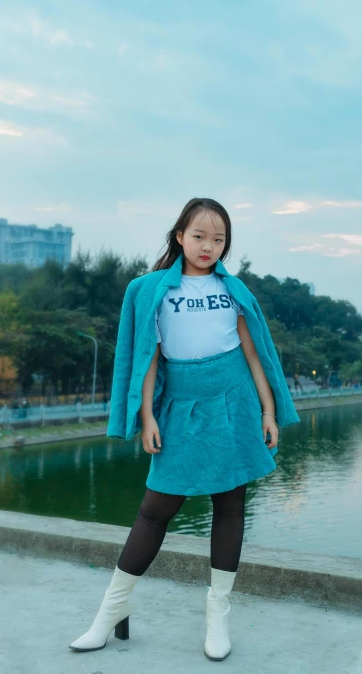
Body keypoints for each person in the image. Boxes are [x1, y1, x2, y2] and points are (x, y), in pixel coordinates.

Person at [69, 197, 301, 661]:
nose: (208, 246)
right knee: (156, 508)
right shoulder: (150, 289)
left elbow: (256, 357)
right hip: (180, 406)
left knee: (230, 506)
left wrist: (269, 412)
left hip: (234, 403)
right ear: (179, 236)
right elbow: (147, 357)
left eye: (219, 239)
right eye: (199, 236)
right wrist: (148, 418)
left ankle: (218, 615)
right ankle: (110, 611)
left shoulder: (234, 290)